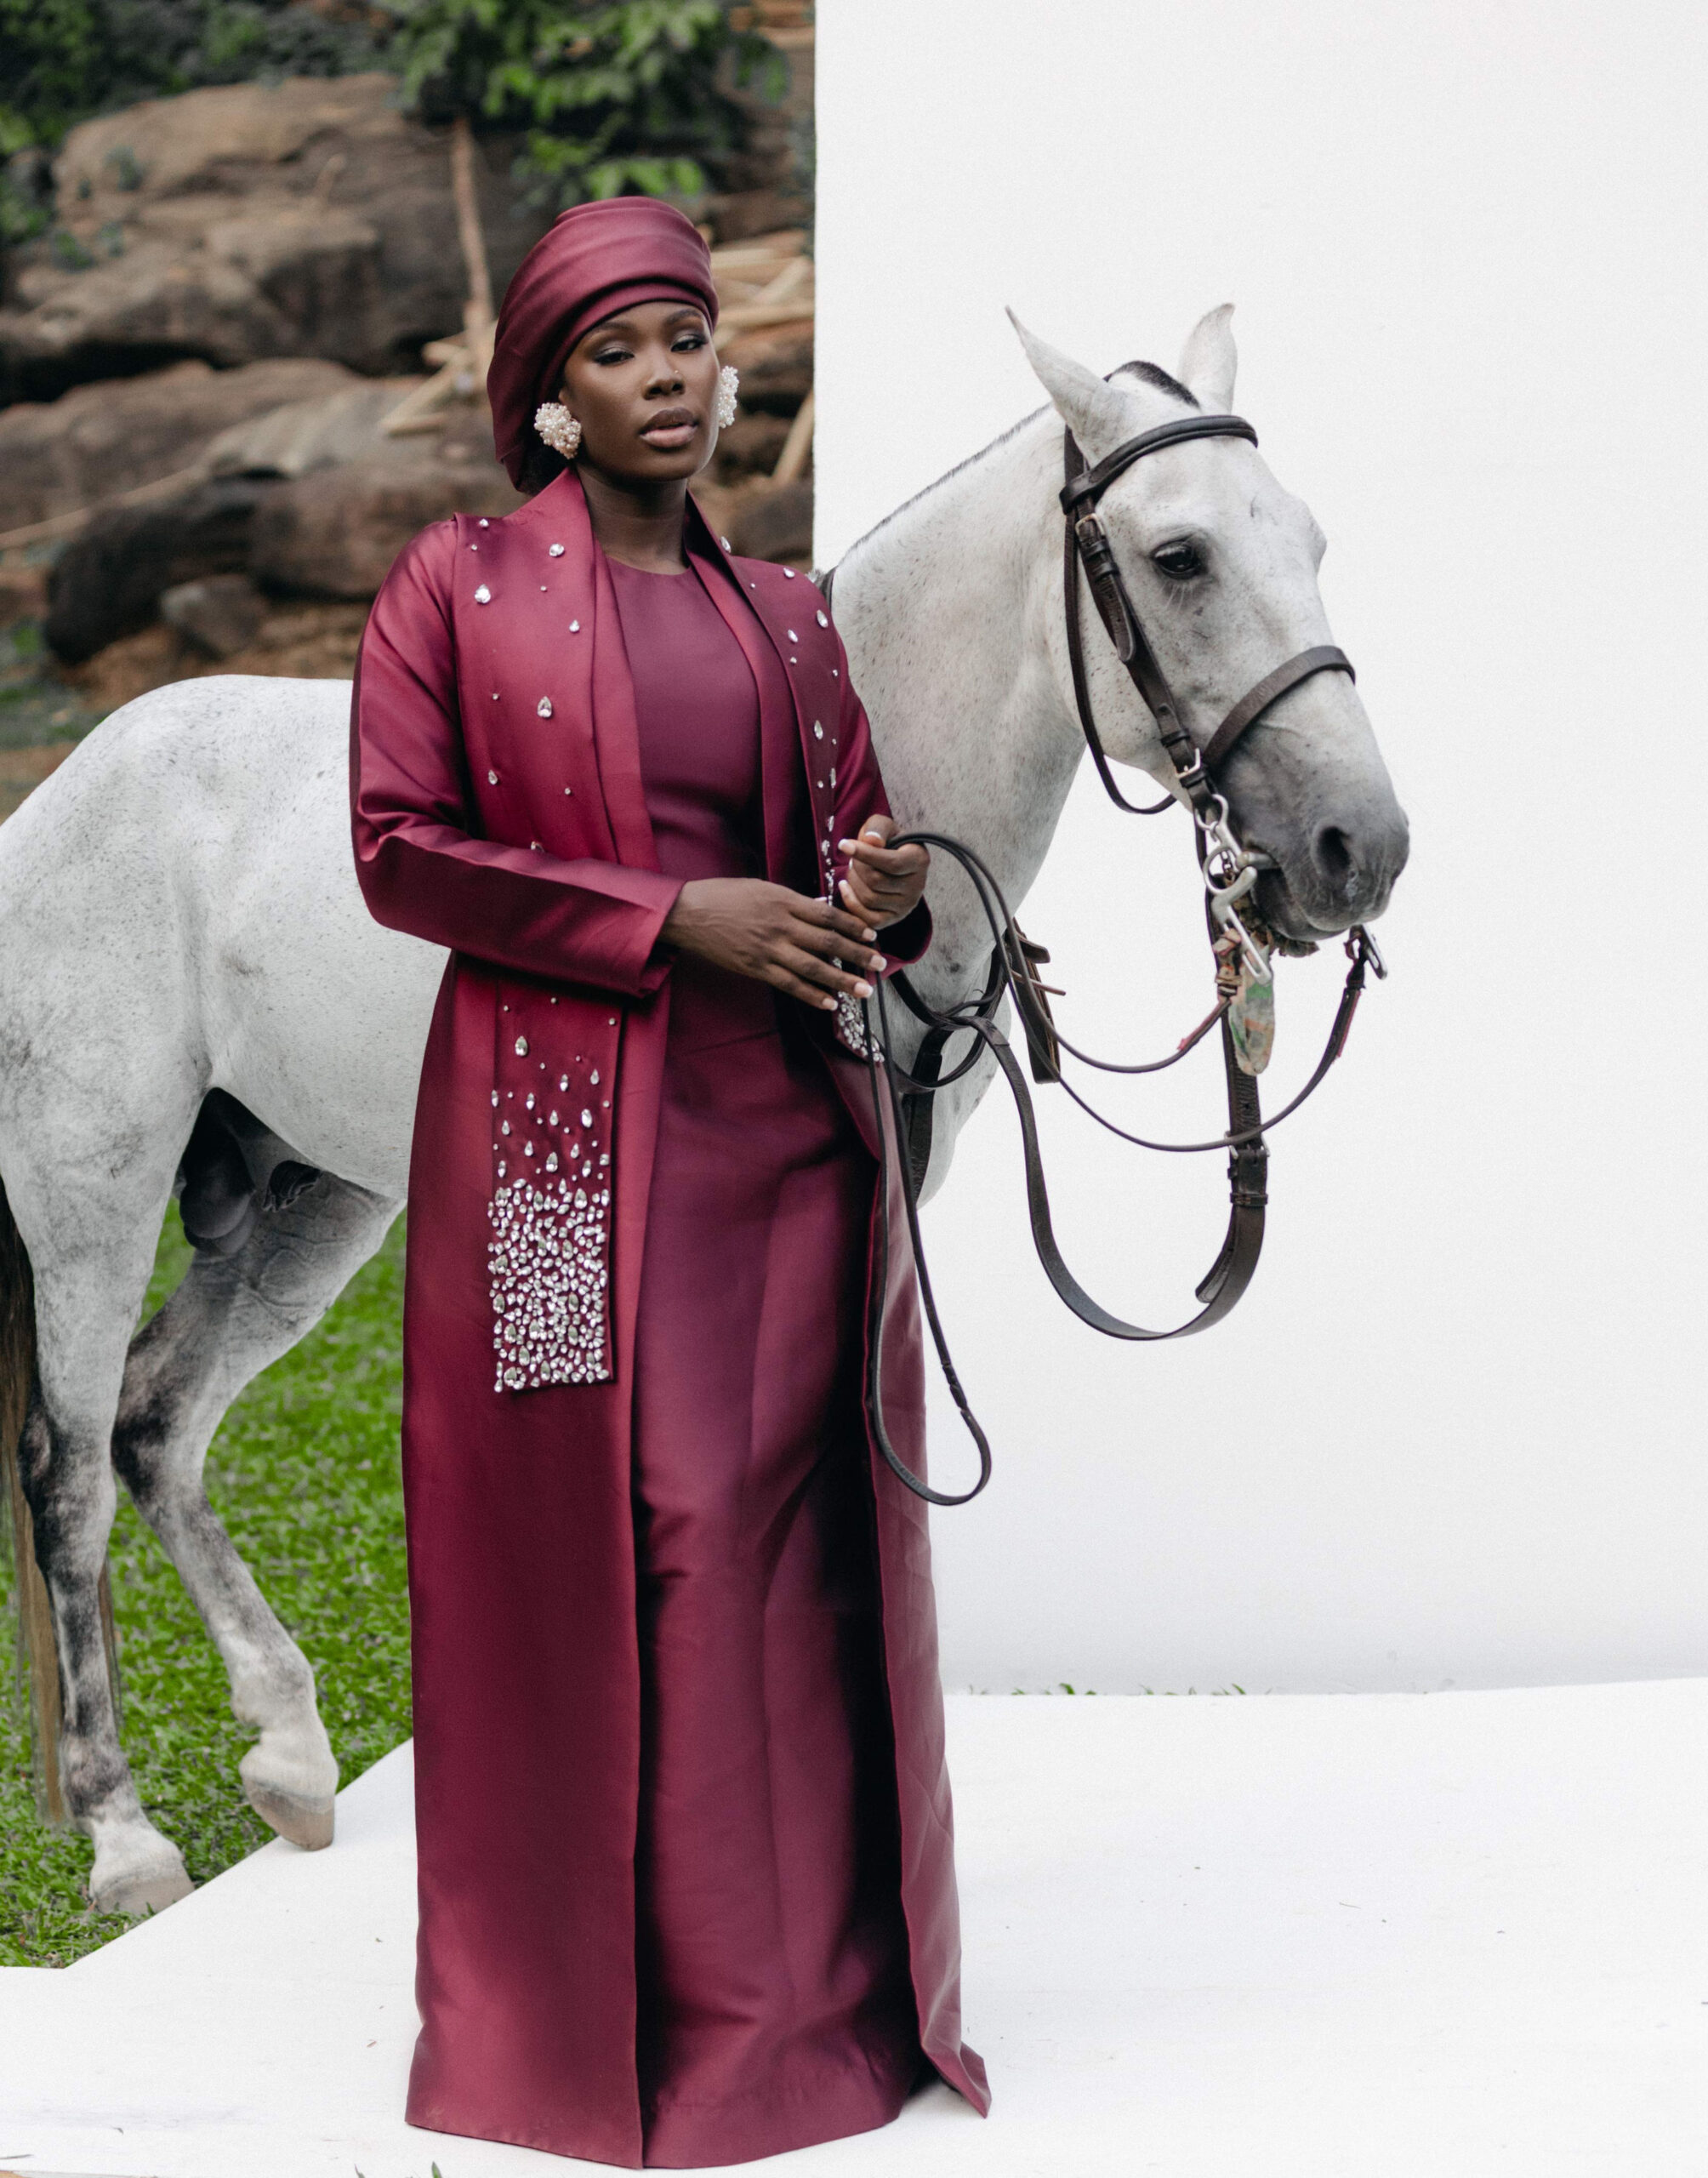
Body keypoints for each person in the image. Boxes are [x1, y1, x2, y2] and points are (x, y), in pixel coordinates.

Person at [348, 196, 989, 2170]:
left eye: (689, 341)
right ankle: (648, 2033)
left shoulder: (784, 612)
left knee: (803, 1541)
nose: (666, 381)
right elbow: (400, 851)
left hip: (789, 1137)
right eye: (617, 351)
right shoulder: (453, 586)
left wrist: (879, 886)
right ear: (549, 393)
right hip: (564, 1148)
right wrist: (667, 914)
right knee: (648, 1531)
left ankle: (826, 2013)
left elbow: (849, 858)